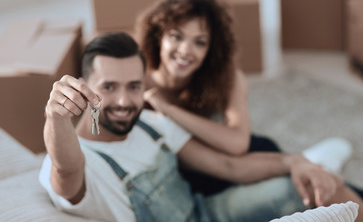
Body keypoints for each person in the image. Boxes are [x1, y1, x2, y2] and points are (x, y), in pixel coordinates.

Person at [39, 31, 363, 222]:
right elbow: (67, 170)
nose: (124, 101)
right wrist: (56, 117)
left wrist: (294, 161)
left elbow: (227, 165)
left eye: (134, 86)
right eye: (108, 87)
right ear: (84, 86)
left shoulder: (150, 122)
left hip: (208, 211)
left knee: (313, 184)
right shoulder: (75, 158)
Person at [135, 0, 353, 195]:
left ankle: (317, 161)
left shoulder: (225, 77)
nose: (185, 50)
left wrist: (169, 110)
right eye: (176, 36)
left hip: (244, 159)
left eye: (199, 42)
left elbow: (237, 144)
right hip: (194, 174)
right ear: (158, 36)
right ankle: (316, 158)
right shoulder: (135, 79)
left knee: (323, 188)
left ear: (211, 49)